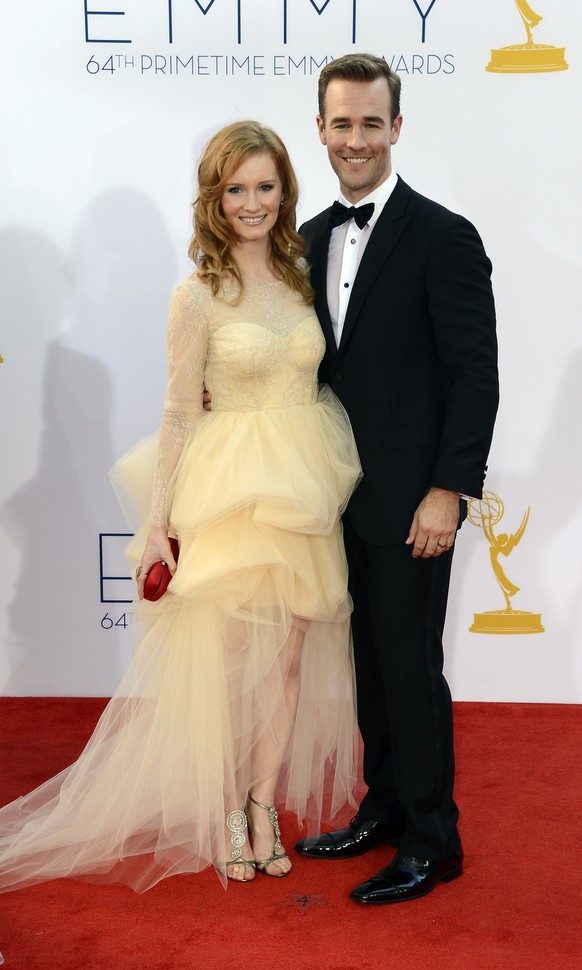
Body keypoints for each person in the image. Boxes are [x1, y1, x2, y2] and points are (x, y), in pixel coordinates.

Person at [0, 121, 361, 892]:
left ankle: (264, 803)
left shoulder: (304, 275)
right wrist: (159, 521)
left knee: (288, 660)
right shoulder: (195, 294)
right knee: (234, 666)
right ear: (215, 197)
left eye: (266, 186)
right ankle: (227, 807)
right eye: (237, 189)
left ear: (284, 191)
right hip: (228, 486)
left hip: (302, 482)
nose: (253, 203)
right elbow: (175, 411)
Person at [293, 54, 499, 904]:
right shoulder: (304, 238)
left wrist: (448, 490)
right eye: (341, 123)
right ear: (321, 130)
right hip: (336, 498)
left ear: (397, 128)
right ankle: (382, 808)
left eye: (371, 123)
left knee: (411, 668)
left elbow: (474, 374)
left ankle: (433, 838)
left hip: (416, 503)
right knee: (367, 667)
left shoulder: (443, 234)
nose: (355, 139)